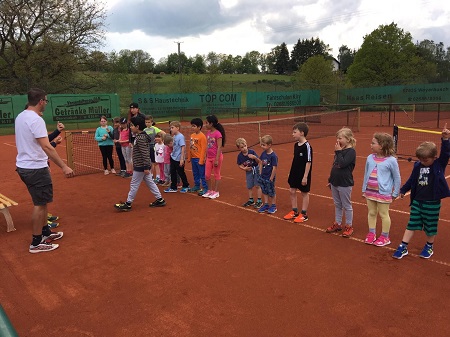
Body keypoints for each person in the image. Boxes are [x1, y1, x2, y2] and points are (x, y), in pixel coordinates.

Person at [15, 88, 74, 253]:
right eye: (46, 101)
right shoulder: (36, 119)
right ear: (41, 101)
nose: (46, 103)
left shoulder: (21, 116)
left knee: (43, 201)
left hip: (26, 166)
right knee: (39, 205)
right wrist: (64, 166)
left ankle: (45, 232)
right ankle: (36, 242)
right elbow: (46, 146)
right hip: (35, 168)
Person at [392, 125, 450, 259]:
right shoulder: (417, 165)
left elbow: (446, 153)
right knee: (412, 223)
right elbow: (412, 179)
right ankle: (403, 246)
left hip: (432, 202)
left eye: (426, 160)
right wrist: (403, 189)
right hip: (418, 201)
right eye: (421, 159)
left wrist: (445, 139)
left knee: (430, 226)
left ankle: (429, 246)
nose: (423, 162)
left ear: (434, 157)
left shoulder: (438, 164)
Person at [114, 115, 166, 211]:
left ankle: (128, 203)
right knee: (150, 182)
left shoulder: (140, 138)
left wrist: (146, 167)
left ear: (137, 127)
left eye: (132, 125)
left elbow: (145, 153)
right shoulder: (140, 136)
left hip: (141, 166)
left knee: (134, 184)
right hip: (142, 165)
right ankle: (160, 199)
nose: (131, 127)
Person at [362, 132, 401, 246]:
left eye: (373, 143)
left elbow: (397, 178)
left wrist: (395, 193)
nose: (371, 145)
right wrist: (364, 189)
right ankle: (371, 233)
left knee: (384, 214)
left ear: (382, 145)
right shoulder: (370, 158)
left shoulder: (391, 160)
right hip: (370, 191)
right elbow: (366, 174)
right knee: (372, 212)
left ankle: (385, 236)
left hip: (383, 193)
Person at [325, 128, 357, 238]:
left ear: (348, 139)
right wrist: (330, 180)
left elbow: (343, 163)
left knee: (346, 205)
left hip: (345, 183)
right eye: (337, 138)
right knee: (337, 204)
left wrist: (338, 151)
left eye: (340, 138)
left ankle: (349, 225)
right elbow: (335, 165)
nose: (338, 140)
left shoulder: (351, 152)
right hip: (335, 182)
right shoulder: (339, 151)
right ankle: (337, 223)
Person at [283, 122, 312, 223]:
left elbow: (308, 162)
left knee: (304, 193)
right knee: (292, 191)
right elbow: (295, 160)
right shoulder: (296, 145)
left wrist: (305, 177)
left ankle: (304, 214)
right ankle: (294, 211)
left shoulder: (307, 146)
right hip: (294, 173)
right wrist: (291, 172)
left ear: (302, 133)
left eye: (295, 132)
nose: (293, 134)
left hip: (303, 174)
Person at [201, 115, 226, 199]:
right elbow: (207, 146)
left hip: (216, 157)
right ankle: (209, 190)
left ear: (211, 124)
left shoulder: (218, 134)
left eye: (207, 123)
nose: (205, 125)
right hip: (209, 157)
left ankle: (216, 191)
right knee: (207, 175)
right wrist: (205, 156)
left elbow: (219, 147)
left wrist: (216, 159)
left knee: (216, 174)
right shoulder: (208, 133)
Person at [164, 121, 190, 193]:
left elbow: (183, 147)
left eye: (172, 127)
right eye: (170, 128)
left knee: (181, 172)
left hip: (178, 158)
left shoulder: (180, 137)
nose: (171, 129)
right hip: (173, 157)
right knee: (172, 172)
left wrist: (182, 159)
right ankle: (173, 187)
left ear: (177, 128)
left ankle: (186, 185)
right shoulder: (174, 136)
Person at [235, 137, 262, 208]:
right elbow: (239, 164)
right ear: (239, 148)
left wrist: (254, 157)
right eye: (242, 147)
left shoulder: (252, 152)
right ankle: (251, 200)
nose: (244, 148)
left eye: (245, 146)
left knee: (257, 185)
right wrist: (244, 168)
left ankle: (259, 200)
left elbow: (259, 161)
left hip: (256, 170)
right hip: (248, 171)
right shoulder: (240, 156)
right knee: (249, 186)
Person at [257, 135, 278, 214]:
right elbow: (261, 163)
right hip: (263, 176)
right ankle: (266, 204)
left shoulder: (273, 156)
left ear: (269, 145)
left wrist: (271, 177)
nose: (262, 146)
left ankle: (273, 205)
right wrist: (260, 173)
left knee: (271, 191)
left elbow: (274, 167)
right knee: (264, 191)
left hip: (269, 177)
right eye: (261, 144)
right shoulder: (263, 154)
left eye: (264, 145)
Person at [187, 118, 208, 193]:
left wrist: (201, 160)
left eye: (194, 126)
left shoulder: (202, 137)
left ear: (199, 127)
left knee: (202, 174)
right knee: (195, 173)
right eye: (192, 126)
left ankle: (205, 187)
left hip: (199, 158)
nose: (192, 127)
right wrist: (189, 157)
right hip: (193, 158)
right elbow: (190, 147)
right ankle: (197, 185)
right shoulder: (192, 135)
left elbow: (203, 149)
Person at [144, 115, 165, 181]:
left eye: (149, 122)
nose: (147, 123)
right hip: (147, 147)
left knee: (155, 162)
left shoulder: (154, 129)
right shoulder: (144, 130)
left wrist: (161, 141)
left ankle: (158, 176)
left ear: (152, 122)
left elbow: (163, 133)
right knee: (149, 162)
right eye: (146, 122)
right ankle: (151, 175)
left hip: (154, 147)